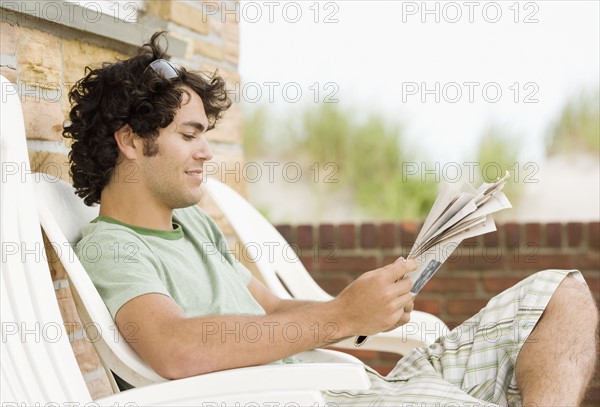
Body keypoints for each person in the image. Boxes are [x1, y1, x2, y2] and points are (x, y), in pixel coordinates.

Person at [66, 32, 598, 406]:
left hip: (351, 386)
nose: (207, 151)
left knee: (562, 295)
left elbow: (272, 306)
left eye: (205, 133)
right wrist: (341, 317)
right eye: (189, 135)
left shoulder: (195, 225)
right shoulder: (113, 247)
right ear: (131, 142)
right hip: (306, 398)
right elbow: (175, 348)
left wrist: (366, 309)